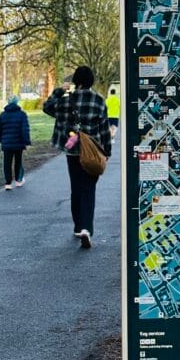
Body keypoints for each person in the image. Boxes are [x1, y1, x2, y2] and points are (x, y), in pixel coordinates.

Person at [43, 66, 111, 249]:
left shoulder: (66, 101)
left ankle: (77, 226)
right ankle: (87, 228)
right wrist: (107, 152)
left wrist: (60, 90)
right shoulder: (99, 101)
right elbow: (104, 130)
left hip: (73, 152)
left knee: (76, 188)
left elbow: (47, 107)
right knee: (88, 189)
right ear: (91, 81)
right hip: (92, 153)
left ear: (76, 82)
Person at [0, 95, 31, 189]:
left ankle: (8, 183)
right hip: (19, 143)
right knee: (18, 161)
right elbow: (25, 129)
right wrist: (27, 142)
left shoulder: (2, 115)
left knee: (7, 163)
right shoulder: (22, 114)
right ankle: (18, 181)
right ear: (17, 102)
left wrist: (2, 140)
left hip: (6, 143)